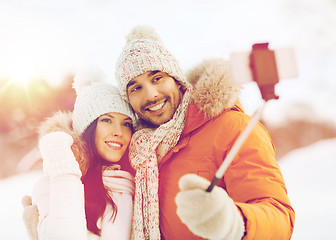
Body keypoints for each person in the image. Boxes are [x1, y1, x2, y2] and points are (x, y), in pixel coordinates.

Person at [115, 25, 295, 240]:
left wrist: (234, 222)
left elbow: (279, 218)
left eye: (157, 78)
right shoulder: (137, 150)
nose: (151, 95)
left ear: (177, 80)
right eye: (136, 88)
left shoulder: (233, 128)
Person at [22, 73, 136, 240]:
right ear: (87, 127)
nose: (119, 132)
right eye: (107, 120)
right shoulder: (52, 184)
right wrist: (65, 170)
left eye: (126, 123)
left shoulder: (136, 186)